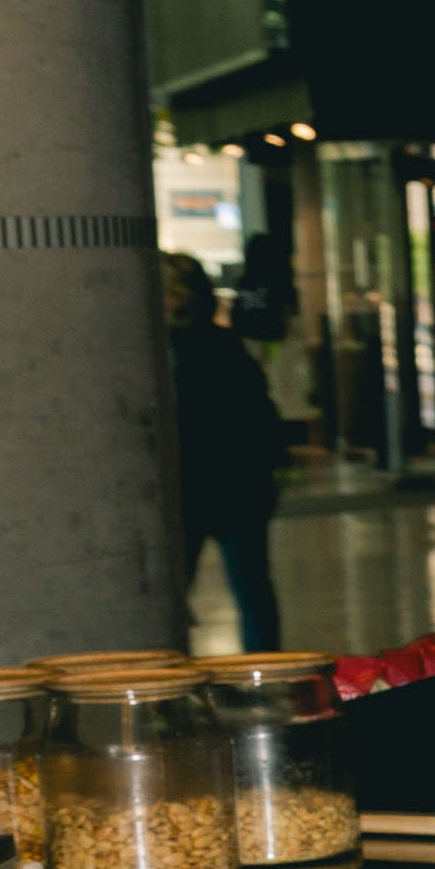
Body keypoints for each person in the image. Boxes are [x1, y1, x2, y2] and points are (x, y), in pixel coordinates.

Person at [163, 254, 289, 649]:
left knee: (173, 597)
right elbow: (262, 419)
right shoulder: (225, 346)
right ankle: (264, 675)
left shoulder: (157, 356)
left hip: (191, 487)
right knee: (252, 589)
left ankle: (172, 683)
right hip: (238, 486)